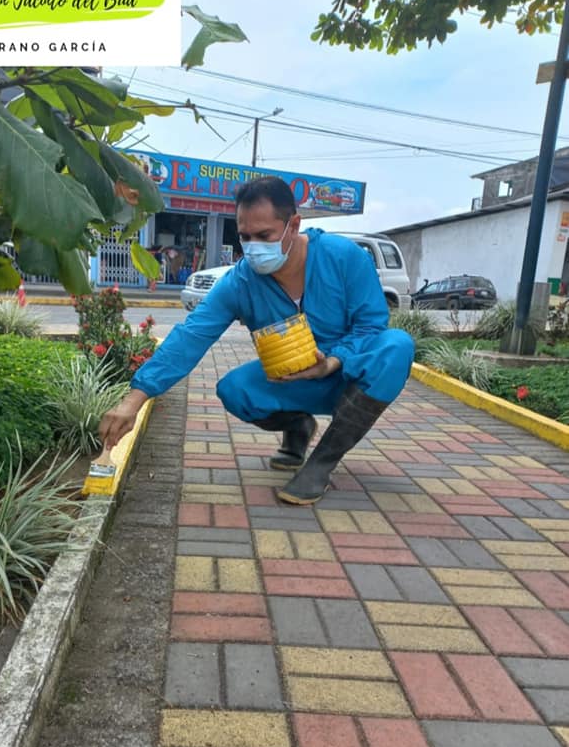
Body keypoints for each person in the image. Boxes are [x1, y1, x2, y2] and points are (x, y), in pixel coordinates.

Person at [99, 175, 414, 505]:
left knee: (396, 346)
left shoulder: (344, 257)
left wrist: (333, 361)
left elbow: (370, 326)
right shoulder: (240, 282)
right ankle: (298, 426)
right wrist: (133, 401)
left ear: (293, 225)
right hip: (293, 380)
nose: (253, 247)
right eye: (245, 237)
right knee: (235, 390)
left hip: (349, 376)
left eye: (264, 236)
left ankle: (321, 464)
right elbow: (190, 336)